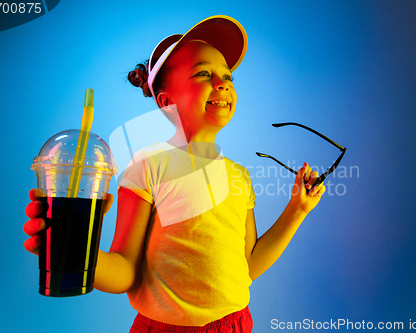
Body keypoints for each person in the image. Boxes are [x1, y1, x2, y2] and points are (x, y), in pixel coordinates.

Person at [24, 15, 326, 333]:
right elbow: (126, 271)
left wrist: (297, 209)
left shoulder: (239, 176)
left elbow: (247, 265)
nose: (222, 82)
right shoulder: (148, 166)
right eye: (203, 74)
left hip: (235, 324)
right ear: (166, 102)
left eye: (227, 76)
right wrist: (73, 247)